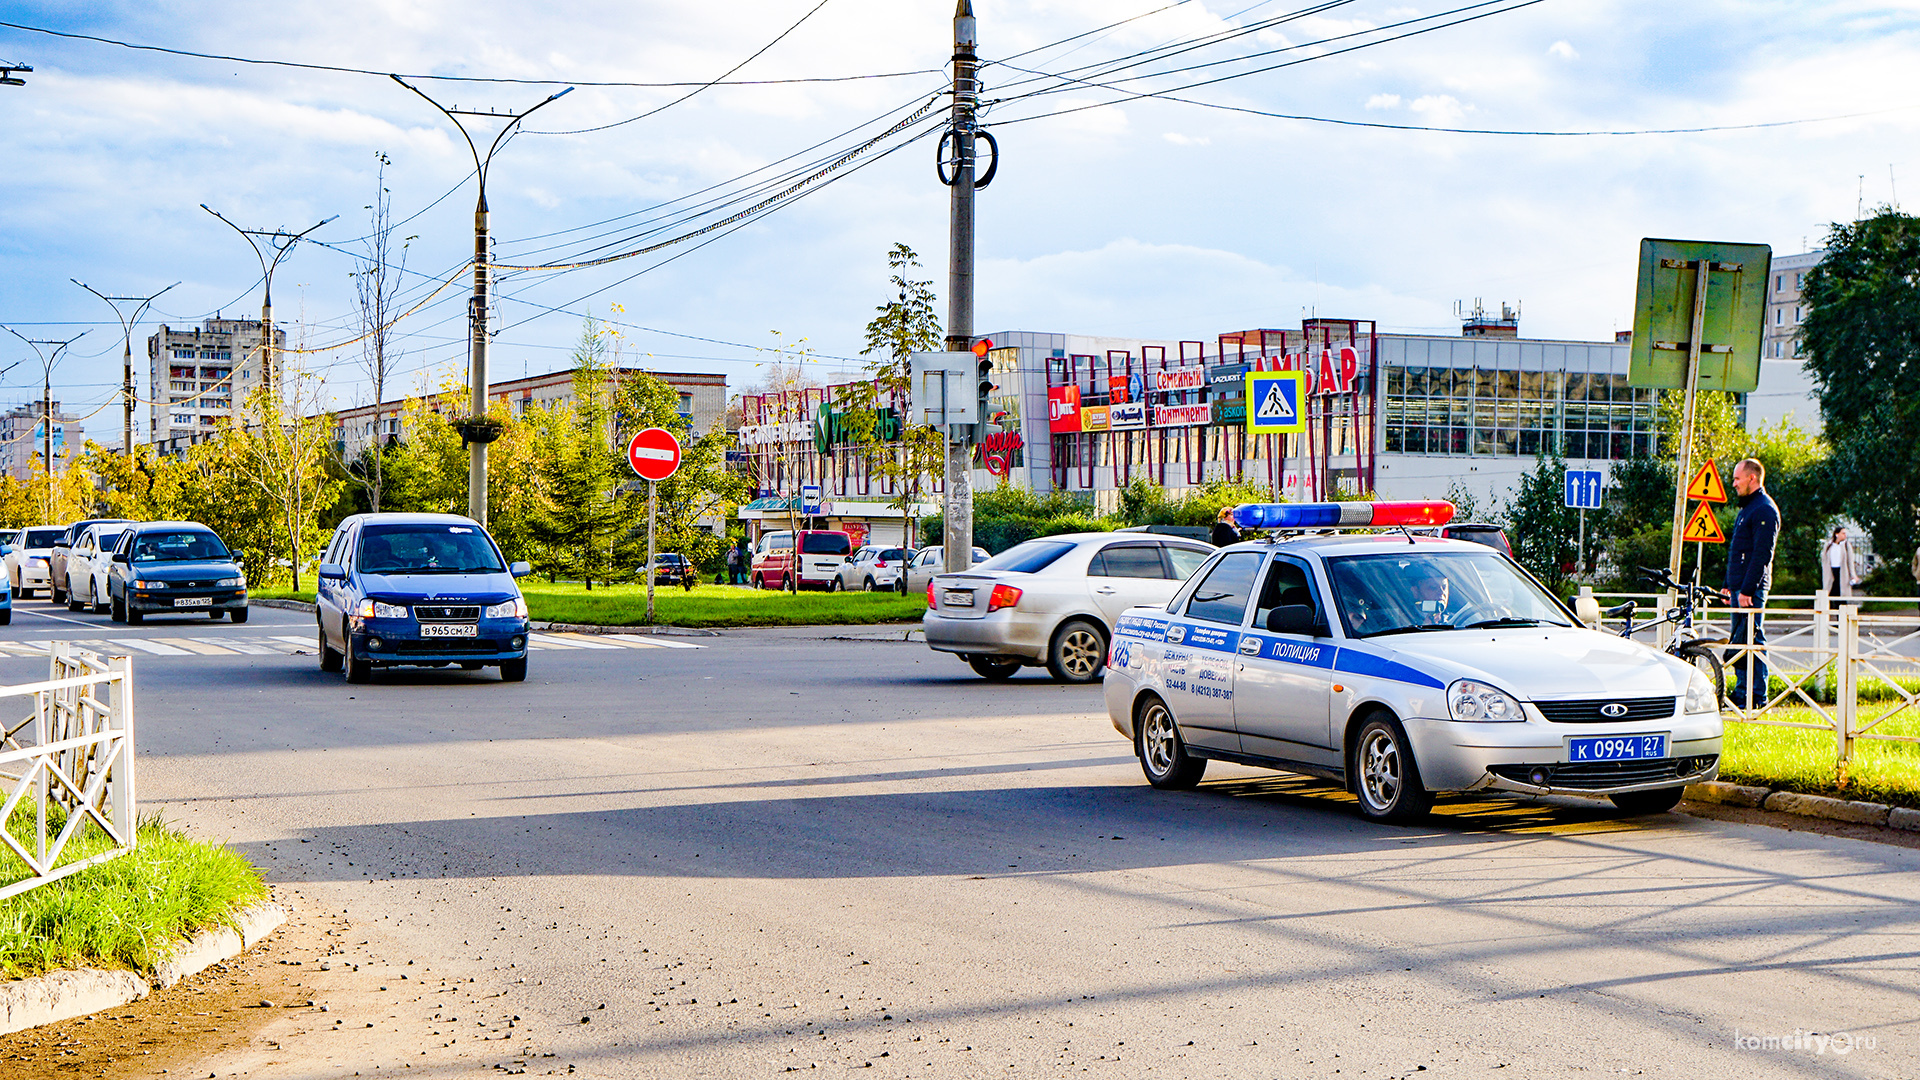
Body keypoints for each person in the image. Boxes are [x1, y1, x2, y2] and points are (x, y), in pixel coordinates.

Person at [1721, 458, 1779, 708]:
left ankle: (1757, 695)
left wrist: (1746, 589)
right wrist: (1728, 584)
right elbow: (1738, 550)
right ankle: (1742, 691)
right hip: (1740, 586)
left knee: (1753, 640)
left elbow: (1762, 554)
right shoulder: (1748, 509)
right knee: (1740, 641)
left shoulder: (1764, 509)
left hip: (1751, 589)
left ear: (1752, 478)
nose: (1733, 484)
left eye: (1737, 479)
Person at [1820, 526, 1858, 604]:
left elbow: (1850, 562)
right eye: (1843, 533)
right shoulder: (1829, 545)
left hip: (1842, 572)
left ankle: (1841, 615)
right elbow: (1824, 559)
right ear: (1837, 534)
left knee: (1842, 595)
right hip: (1831, 572)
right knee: (1830, 594)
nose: (1845, 535)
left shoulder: (1846, 545)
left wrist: (1853, 575)